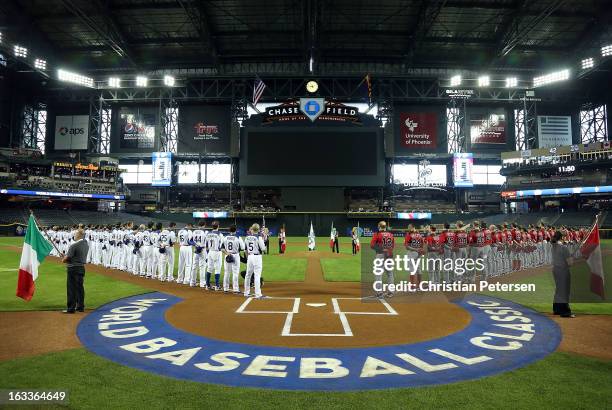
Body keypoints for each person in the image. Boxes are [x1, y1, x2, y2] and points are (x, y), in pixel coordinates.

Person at [61, 229, 89, 314]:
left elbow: (67, 259)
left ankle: (71, 308)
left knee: (71, 289)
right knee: (80, 288)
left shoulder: (74, 245)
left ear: (79, 235)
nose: (74, 235)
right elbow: (74, 255)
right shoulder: (86, 244)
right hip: (81, 268)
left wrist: (64, 259)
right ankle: (80, 307)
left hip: (73, 269)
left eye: (76, 234)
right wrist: (66, 256)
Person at [550, 231, 575, 318]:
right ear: (562, 237)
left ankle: (556, 309)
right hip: (563, 271)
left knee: (559, 289)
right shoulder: (564, 248)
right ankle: (565, 311)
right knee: (564, 291)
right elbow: (570, 263)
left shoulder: (554, 246)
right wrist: (572, 258)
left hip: (555, 270)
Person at [244, 223, 266, 299]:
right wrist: (264, 241)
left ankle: (246, 292)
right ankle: (258, 294)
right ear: (258, 229)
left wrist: (248, 258)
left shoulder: (247, 237)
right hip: (257, 257)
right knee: (257, 275)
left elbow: (245, 249)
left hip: (250, 256)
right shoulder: (259, 238)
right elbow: (263, 249)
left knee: (248, 275)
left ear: (252, 229)